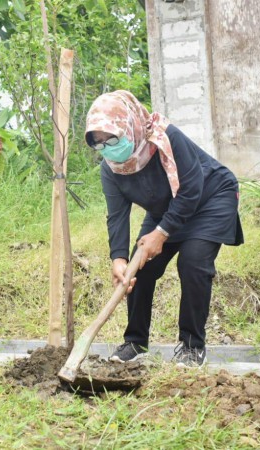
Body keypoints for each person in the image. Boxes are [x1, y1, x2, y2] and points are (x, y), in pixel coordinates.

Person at [85, 90, 243, 367]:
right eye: (99, 143)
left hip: (210, 198)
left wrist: (162, 233)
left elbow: (192, 188)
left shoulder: (165, 138)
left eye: (111, 138)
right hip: (166, 209)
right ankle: (135, 342)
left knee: (193, 262)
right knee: (139, 267)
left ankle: (193, 346)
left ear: (129, 124)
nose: (107, 148)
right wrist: (119, 259)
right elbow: (117, 215)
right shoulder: (111, 168)